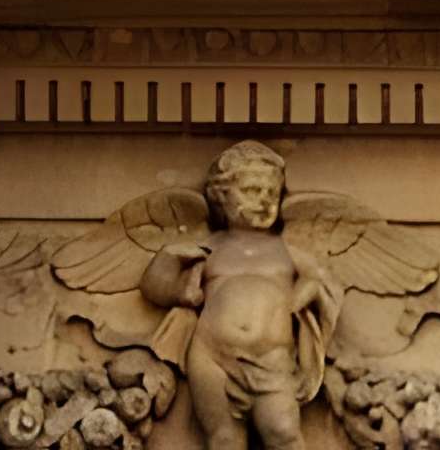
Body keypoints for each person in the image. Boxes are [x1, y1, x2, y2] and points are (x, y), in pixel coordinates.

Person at [138, 140, 327, 450]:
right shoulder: (210, 248)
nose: (264, 200)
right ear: (220, 197)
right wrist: (168, 258)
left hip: (272, 360)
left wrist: (297, 300)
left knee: (283, 432)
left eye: (272, 193)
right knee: (225, 439)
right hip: (211, 357)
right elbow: (156, 289)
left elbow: (318, 277)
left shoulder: (283, 250)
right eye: (252, 191)